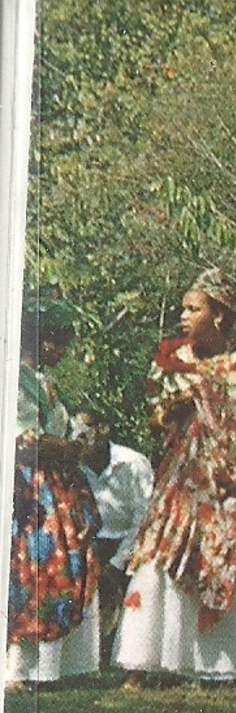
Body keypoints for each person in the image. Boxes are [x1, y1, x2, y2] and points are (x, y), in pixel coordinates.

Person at [114, 269, 236, 686]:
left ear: (219, 316)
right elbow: (155, 419)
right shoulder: (175, 362)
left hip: (229, 480)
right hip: (184, 479)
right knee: (162, 555)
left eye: (194, 309)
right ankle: (144, 663)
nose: (184, 317)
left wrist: (217, 400)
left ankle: (220, 665)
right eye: (184, 309)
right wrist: (178, 404)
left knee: (226, 553)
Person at [6, 291, 101, 689]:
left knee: (55, 569)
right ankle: (17, 667)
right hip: (29, 489)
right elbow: (27, 441)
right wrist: (72, 448)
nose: (60, 349)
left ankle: (49, 667)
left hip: (55, 485)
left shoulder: (45, 384)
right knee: (29, 568)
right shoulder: (17, 381)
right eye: (55, 339)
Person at [72, 410, 154, 664]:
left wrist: (118, 563)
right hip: (92, 543)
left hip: (132, 543)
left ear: (102, 429)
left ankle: (124, 651)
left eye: (86, 432)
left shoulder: (133, 463)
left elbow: (144, 517)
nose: (81, 439)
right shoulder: (75, 467)